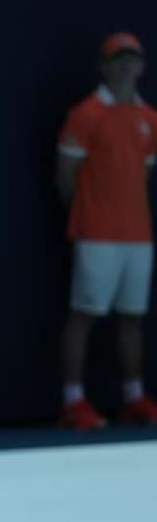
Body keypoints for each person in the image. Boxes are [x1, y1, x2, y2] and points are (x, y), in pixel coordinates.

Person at [55, 31, 157, 430]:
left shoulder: (151, 120)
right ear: (105, 66)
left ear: (142, 65)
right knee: (83, 314)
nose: (126, 65)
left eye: (133, 58)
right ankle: (73, 401)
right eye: (118, 58)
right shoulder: (86, 114)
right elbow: (66, 176)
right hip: (96, 233)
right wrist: (88, 212)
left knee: (133, 318)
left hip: (139, 235)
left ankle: (133, 398)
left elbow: (142, 175)